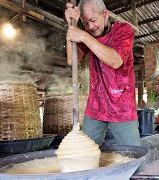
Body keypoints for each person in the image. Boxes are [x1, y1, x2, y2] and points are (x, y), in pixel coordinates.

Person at [65, 0, 141, 146]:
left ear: (105, 14)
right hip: (96, 105)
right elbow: (72, 61)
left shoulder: (124, 30)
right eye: (85, 23)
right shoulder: (87, 33)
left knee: (134, 156)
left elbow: (115, 61)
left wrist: (84, 36)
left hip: (122, 105)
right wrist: (71, 27)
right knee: (86, 153)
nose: (90, 27)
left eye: (93, 20)